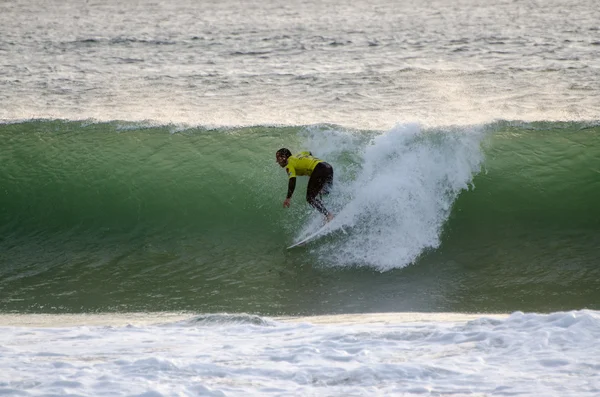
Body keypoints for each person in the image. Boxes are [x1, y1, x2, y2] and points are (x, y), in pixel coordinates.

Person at [275, 148, 334, 222]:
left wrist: (288, 198)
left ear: (284, 157)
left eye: (278, 158)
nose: (277, 161)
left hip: (319, 169)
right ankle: (326, 213)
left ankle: (328, 215)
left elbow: (292, 180)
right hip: (328, 167)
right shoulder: (299, 154)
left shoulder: (289, 164)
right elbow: (309, 153)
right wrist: (311, 168)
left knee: (310, 198)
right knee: (323, 192)